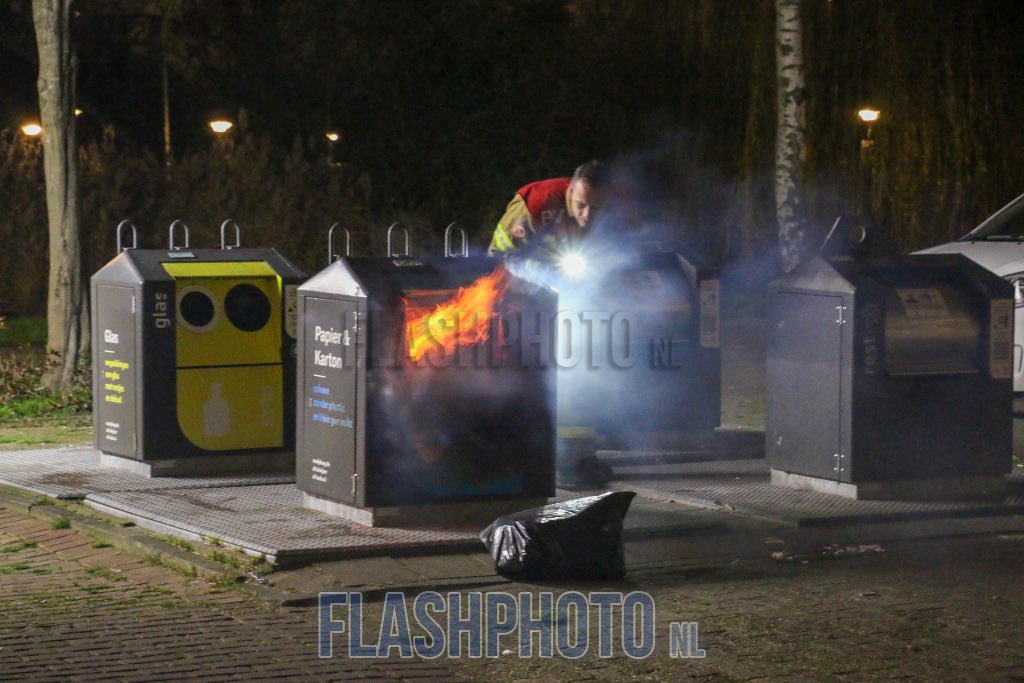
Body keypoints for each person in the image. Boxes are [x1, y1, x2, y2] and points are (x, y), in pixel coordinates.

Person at [487, 160, 610, 255]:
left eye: (595, 208)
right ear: (571, 191)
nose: (587, 214)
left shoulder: (613, 210)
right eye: (580, 205)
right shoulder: (537, 203)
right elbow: (502, 250)